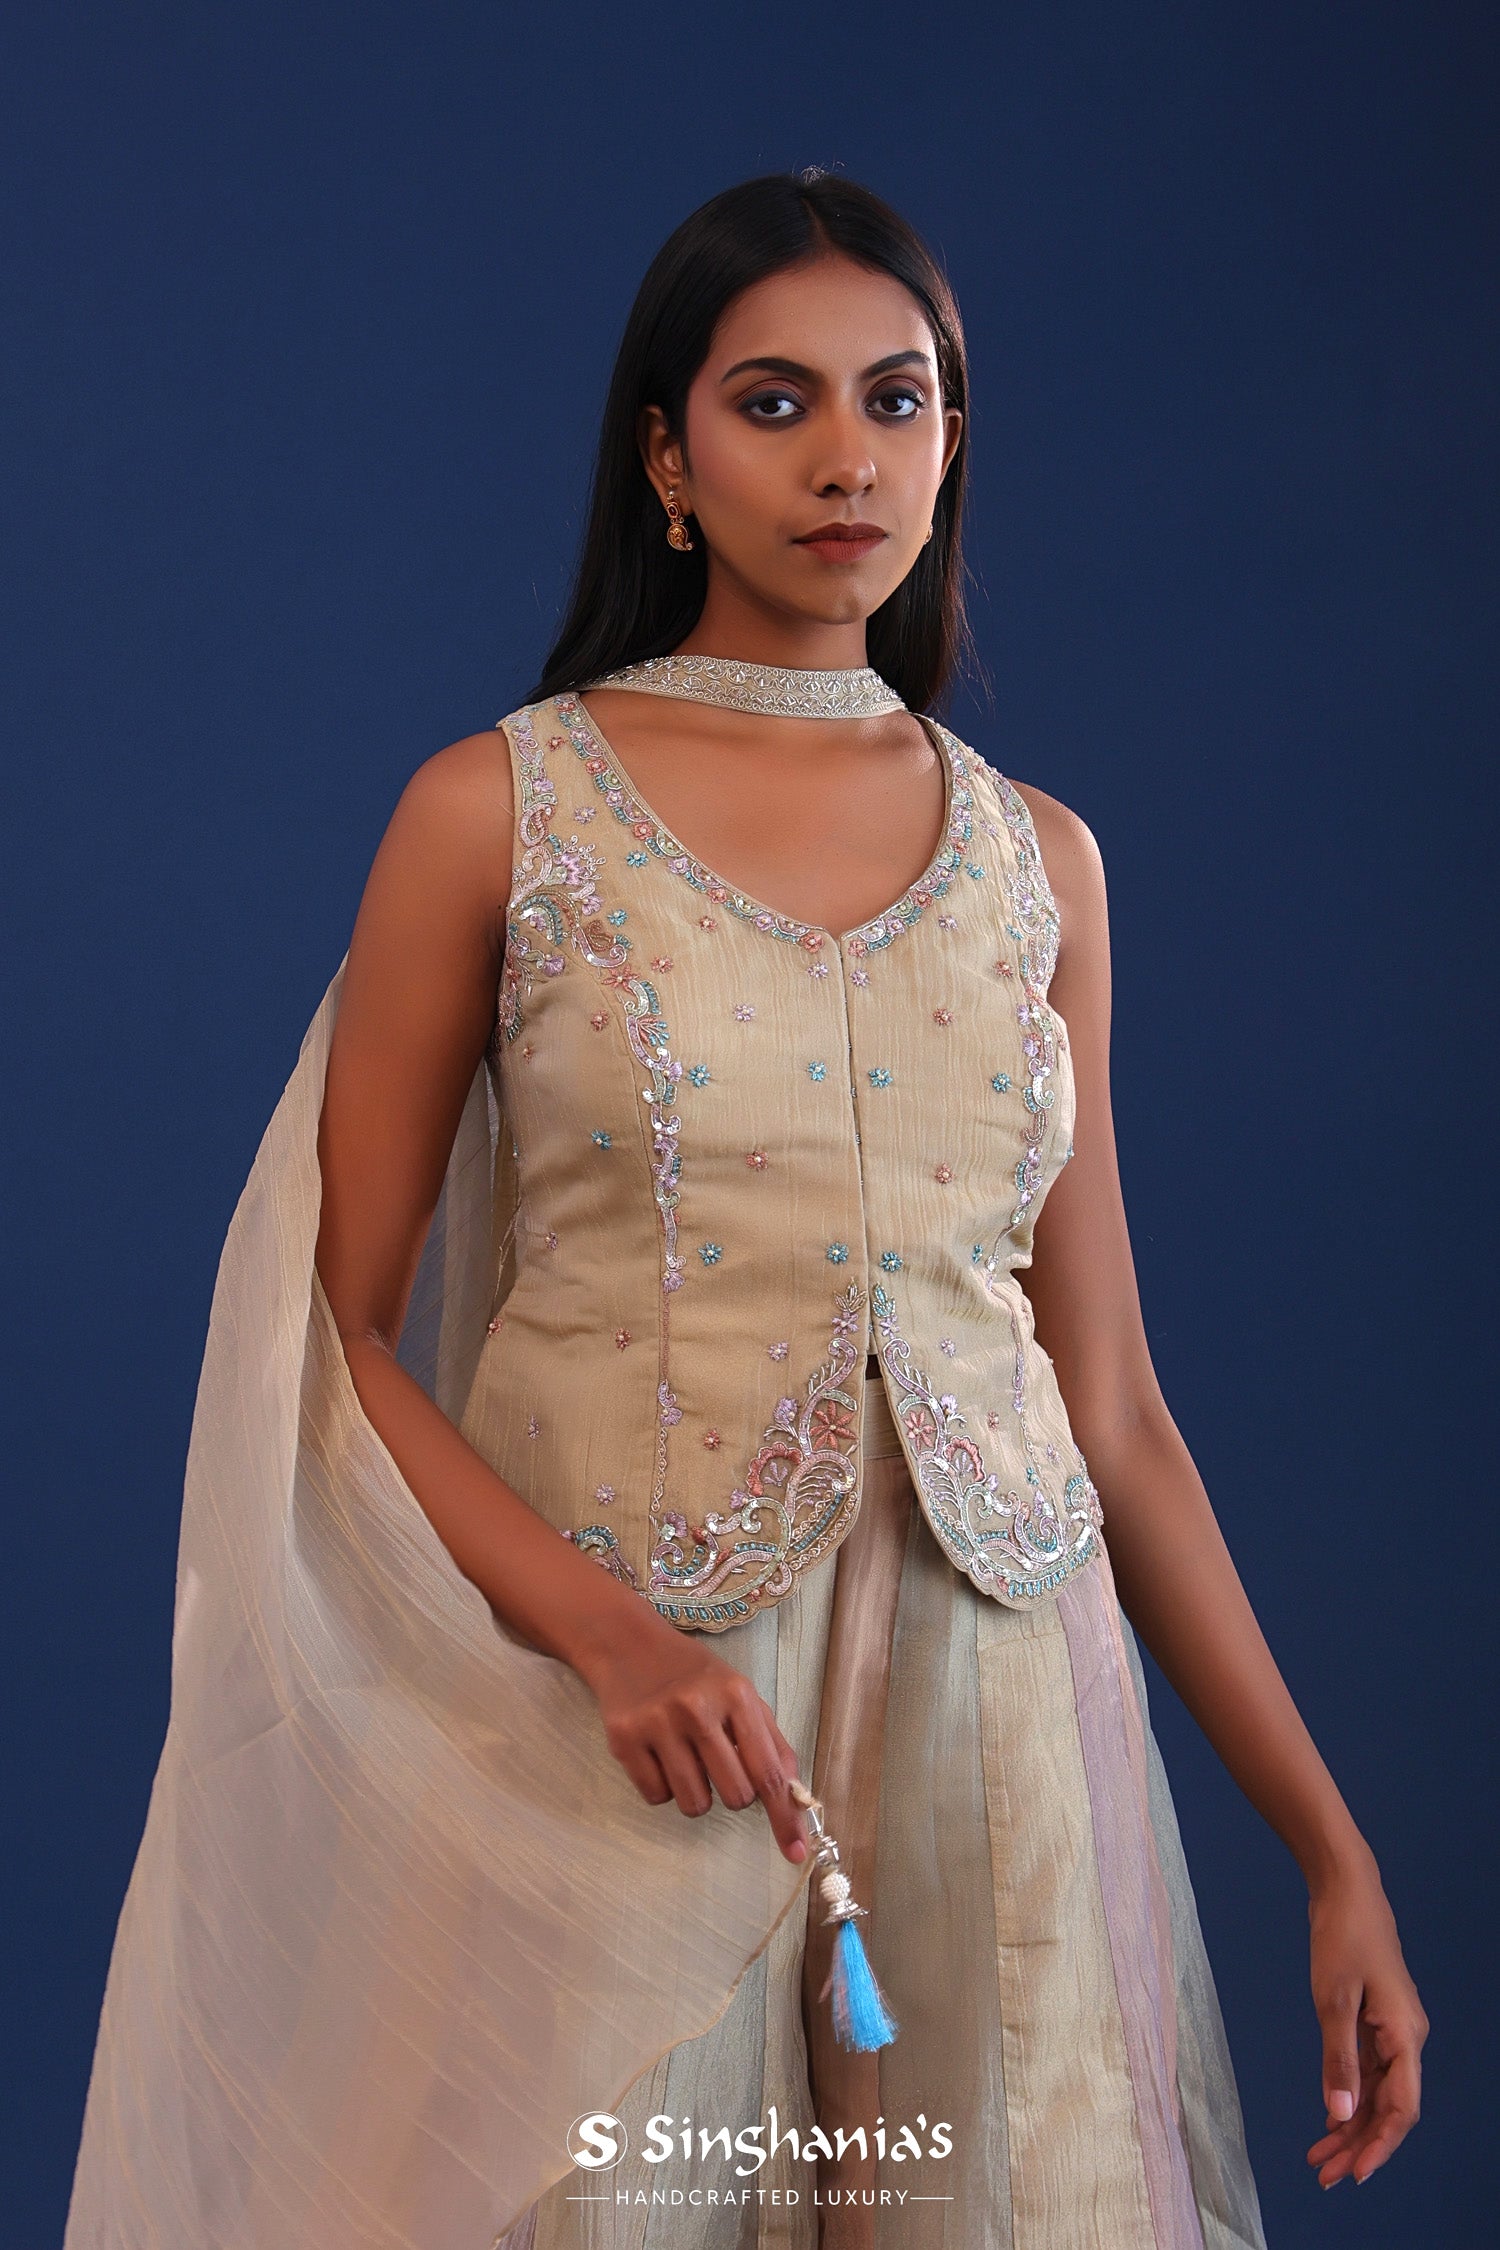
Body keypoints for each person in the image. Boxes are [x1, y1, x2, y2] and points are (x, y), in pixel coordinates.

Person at [66, 171, 1426, 2250]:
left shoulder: (1041, 863)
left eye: (899, 399)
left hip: (997, 1730)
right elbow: (338, 1341)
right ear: (667, 456)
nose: (846, 459)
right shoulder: (496, 812)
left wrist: (1332, 1850)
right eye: (774, 403)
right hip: (619, 1717)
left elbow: (1116, 1409)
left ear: (953, 444)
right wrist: (606, 1636)